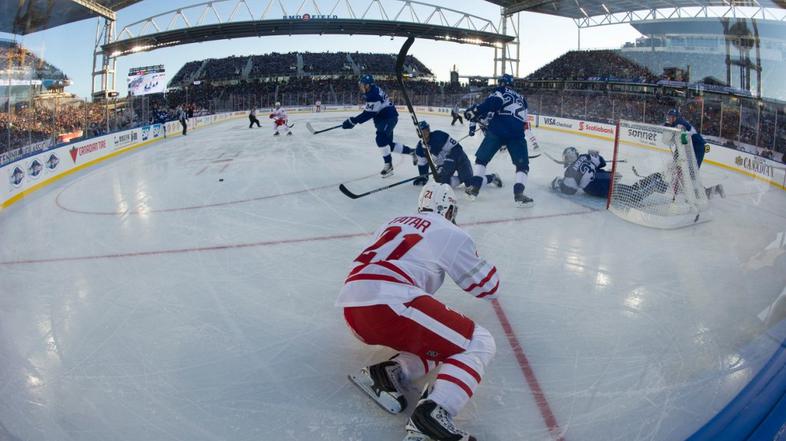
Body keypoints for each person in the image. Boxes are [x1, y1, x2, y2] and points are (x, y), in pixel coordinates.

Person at [338, 182, 498, 441]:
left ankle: (390, 373)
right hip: (390, 301)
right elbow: (488, 288)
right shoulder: (449, 230)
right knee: (477, 342)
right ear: (447, 210)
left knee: (442, 342)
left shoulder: (394, 221)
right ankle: (432, 416)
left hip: (353, 307)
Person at [551, 146, 725, 201]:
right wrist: (594, 157)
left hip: (600, 187)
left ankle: (681, 190)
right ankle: (694, 191)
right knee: (639, 187)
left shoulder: (570, 171)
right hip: (606, 178)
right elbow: (602, 162)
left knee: (636, 193)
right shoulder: (585, 156)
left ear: (567, 158)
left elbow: (570, 191)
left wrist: (558, 183)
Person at [463, 74, 533, 207]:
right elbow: (525, 122)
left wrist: (475, 111)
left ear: (501, 83)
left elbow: (494, 104)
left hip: (498, 129)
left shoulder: (500, 91)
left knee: (482, 159)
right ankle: (519, 194)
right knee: (522, 166)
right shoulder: (522, 99)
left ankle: (475, 188)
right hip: (517, 133)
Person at [341, 74, 415, 178]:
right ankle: (412, 151)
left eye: (363, 85)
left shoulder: (373, 94)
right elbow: (369, 111)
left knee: (380, 138)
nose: (361, 87)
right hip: (384, 118)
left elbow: (369, 114)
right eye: (361, 85)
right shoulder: (371, 91)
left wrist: (353, 121)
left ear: (368, 85)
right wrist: (353, 121)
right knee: (387, 144)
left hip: (388, 117)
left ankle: (388, 165)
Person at [413, 120, 502, 191]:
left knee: (469, 184)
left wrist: (445, 165)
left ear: (429, 129)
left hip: (459, 158)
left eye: (426, 130)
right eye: (421, 131)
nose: (424, 133)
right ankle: (461, 178)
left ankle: (492, 177)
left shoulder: (439, 135)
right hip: (446, 164)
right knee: (442, 183)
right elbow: (423, 165)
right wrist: (423, 177)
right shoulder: (420, 148)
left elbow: (457, 149)